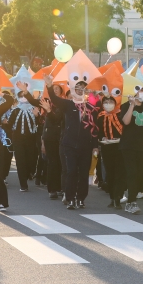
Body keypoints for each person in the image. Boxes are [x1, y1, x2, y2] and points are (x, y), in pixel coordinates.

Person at [44, 75, 97, 210]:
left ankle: (81, 198)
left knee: (83, 172)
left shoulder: (91, 106)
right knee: (71, 171)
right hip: (69, 145)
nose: (80, 90)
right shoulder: (68, 104)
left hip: (86, 145)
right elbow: (55, 99)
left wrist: (95, 145)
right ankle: (70, 198)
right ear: (73, 89)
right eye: (78, 88)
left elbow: (95, 126)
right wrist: (49, 86)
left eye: (83, 88)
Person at [7, 83, 41, 192]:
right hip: (18, 139)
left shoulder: (34, 109)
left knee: (30, 160)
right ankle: (23, 184)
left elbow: (39, 124)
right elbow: (9, 124)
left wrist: (37, 116)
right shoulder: (15, 110)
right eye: (21, 96)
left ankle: (29, 173)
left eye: (25, 95)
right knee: (20, 161)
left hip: (31, 140)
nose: (23, 98)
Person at [95, 94, 125, 209]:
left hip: (120, 146)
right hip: (107, 147)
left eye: (110, 101)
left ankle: (118, 196)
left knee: (120, 173)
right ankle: (113, 198)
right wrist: (102, 138)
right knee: (110, 173)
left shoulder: (120, 113)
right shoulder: (101, 116)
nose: (108, 104)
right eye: (105, 102)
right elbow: (98, 131)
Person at [40, 88, 64, 200]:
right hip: (50, 139)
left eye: (58, 90)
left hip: (62, 138)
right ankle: (52, 189)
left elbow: (59, 119)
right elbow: (48, 123)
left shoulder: (64, 105)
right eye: (53, 90)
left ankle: (59, 187)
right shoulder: (47, 103)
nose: (55, 92)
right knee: (52, 163)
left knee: (60, 164)